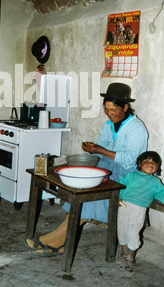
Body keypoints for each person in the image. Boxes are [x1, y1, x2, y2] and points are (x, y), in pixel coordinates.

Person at [24, 82, 148, 255]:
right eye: (106, 109)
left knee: (89, 196)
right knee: (78, 186)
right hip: (107, 167)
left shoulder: (137, 128)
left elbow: (129, 159)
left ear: (125, 107)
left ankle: (56, 241)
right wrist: (92, 150)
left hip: (127, 175)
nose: (109, 114)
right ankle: (60, 241)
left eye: (113, 110)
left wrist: (100, 150)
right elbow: (102, 149)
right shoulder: (108, 125)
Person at [117, 151, 164, 267]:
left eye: (154, 163)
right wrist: (118, 198)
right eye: (147, 161)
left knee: (132, 233)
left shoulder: (155, 182)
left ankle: (131, 255)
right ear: (139, 164)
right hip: (124, 207)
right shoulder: (130, 176)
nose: (151, 164)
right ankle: (124, 252)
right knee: (121, 231)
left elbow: (160, 193)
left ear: (157, 168)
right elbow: (118, 186)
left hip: (139, 210)